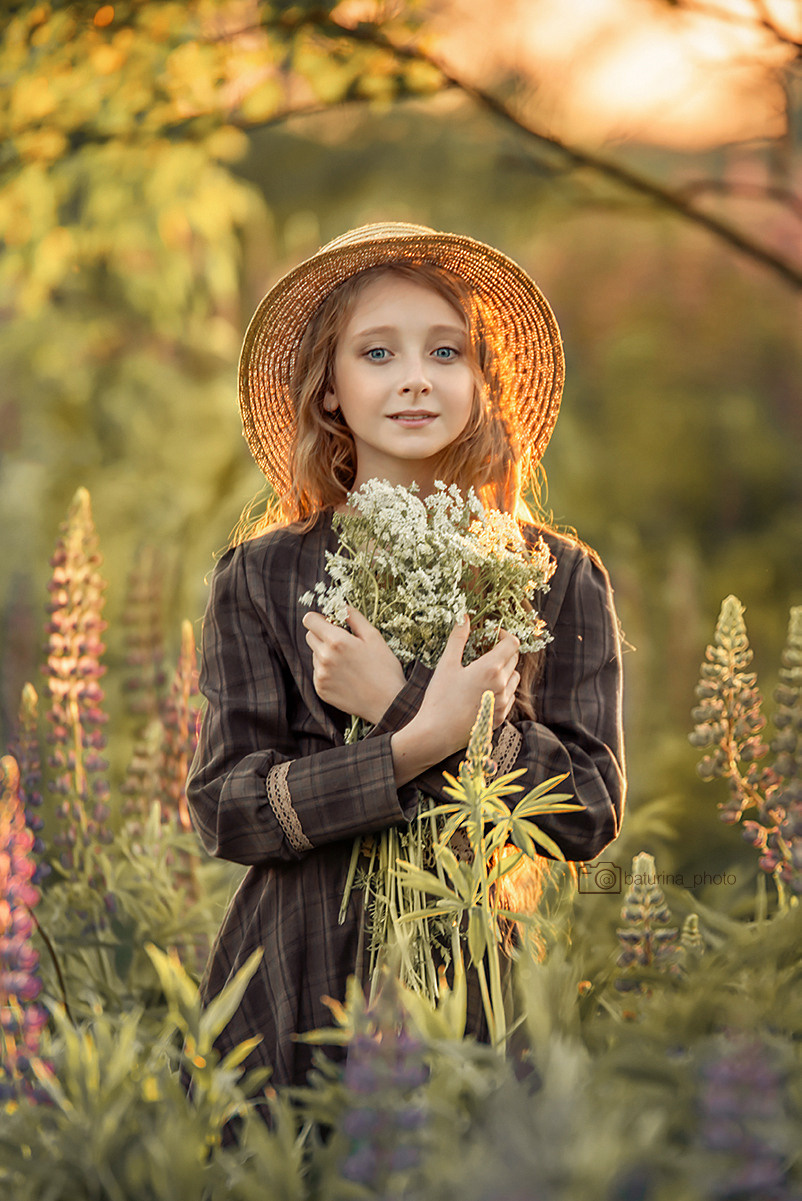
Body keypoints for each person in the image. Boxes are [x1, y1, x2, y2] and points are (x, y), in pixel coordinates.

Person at [185, 222, 626, 1096]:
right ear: (330, 390)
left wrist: (398, 698)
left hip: (480, 974)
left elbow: (586, 810)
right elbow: (225, 807)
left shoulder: (555, 576)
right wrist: (411, 747)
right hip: (295, 974)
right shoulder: (265, 574)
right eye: (378, 352)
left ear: (481, 382)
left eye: (446, 351)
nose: (415, 376)